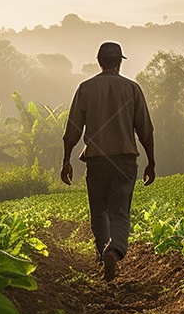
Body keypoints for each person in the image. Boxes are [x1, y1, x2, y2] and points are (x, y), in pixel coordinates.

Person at [61, 42, 155, 282]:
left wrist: (66, 160)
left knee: (99, 211)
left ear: (99, 60)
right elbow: (145, 129)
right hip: (125, 160)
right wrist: (151, 162)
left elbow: (72, 128)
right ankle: (114, 249)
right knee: (120, 212)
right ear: (120, 62)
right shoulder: (132, 89)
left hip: (97, 160)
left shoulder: (85, 88)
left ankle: (104, 251)